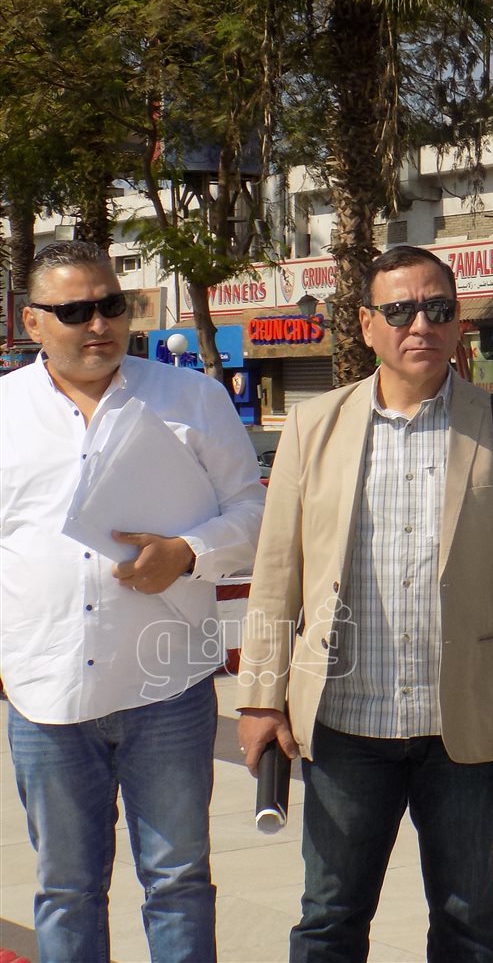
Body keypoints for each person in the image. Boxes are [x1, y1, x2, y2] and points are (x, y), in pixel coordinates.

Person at [236, 245, 493, 963]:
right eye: (399, 310)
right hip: (346, 724)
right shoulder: (314, 425)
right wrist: (262, 697)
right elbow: (277, 573)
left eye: (437, 308)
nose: (420, 324)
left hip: (466, 727)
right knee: (329, 920)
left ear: (459, 323)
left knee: (467, 923)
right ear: (367, 325)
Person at [0, 241, 265, 963]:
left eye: (111, 305)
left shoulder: (192, 399)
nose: (99, 324)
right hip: (46, 695)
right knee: (66, 889)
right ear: (32, 321)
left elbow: (253, 513)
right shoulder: (5, 411)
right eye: (75, 311)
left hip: (166, 687)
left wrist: (188, 552)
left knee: (178, 883)